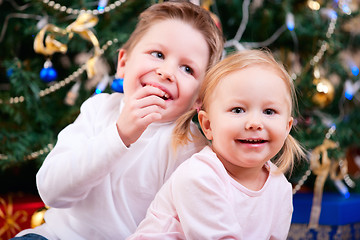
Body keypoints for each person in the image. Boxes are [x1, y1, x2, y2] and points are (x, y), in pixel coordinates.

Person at [13, 1, 224, 240]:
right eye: (158, 54)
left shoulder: (190, 149)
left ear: (199, 98)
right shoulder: (99, 109)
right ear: (123, 63)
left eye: (187, 69)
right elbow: (51, 191)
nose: (167, 72)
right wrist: (119, 135)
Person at [128, 49, 306, 240]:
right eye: (238, 110)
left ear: (287, 127)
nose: (255, 123)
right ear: (207, 125)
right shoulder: (198, 176)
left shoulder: (280, 188)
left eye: (269, 111)